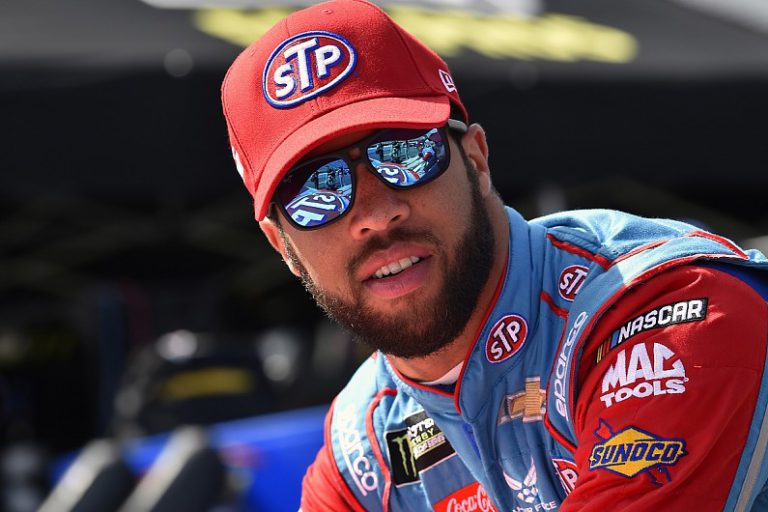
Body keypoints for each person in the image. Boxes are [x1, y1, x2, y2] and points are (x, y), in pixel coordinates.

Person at [220, 1, 768, 510]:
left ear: (477, 161)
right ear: (283, 247)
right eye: (317, 192)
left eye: (404, 154)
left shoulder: (670, 310)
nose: (376, 213)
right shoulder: (362, 446)